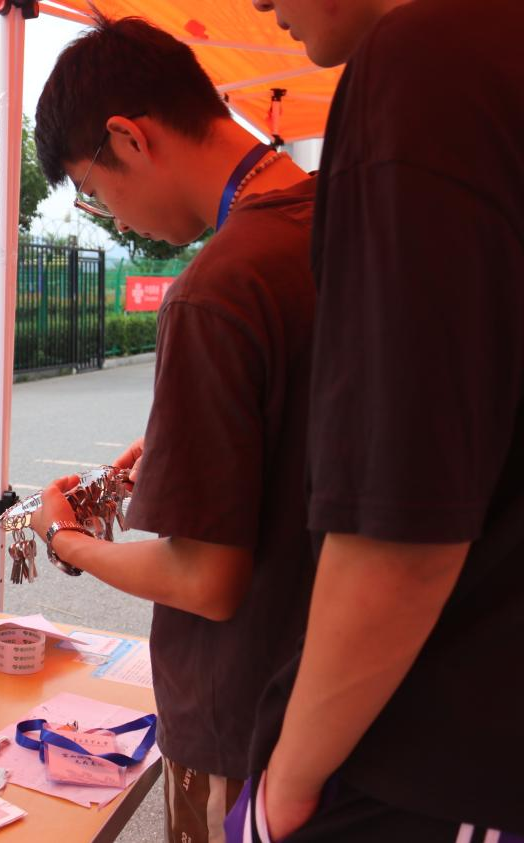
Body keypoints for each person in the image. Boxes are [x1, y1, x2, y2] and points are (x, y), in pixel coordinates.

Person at [231, 1, 524, 840]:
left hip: (434, 763)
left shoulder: (425, 61)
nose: (259, 4)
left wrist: (282, 789)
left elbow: (402, 525)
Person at [29, 15, 317, 843]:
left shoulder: (217, 287)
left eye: (94, 190)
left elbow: (205, 578)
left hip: (244, 720)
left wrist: (66, 538)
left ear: (130, 137)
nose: (113, 220)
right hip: (343, 709)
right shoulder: (344, 217)